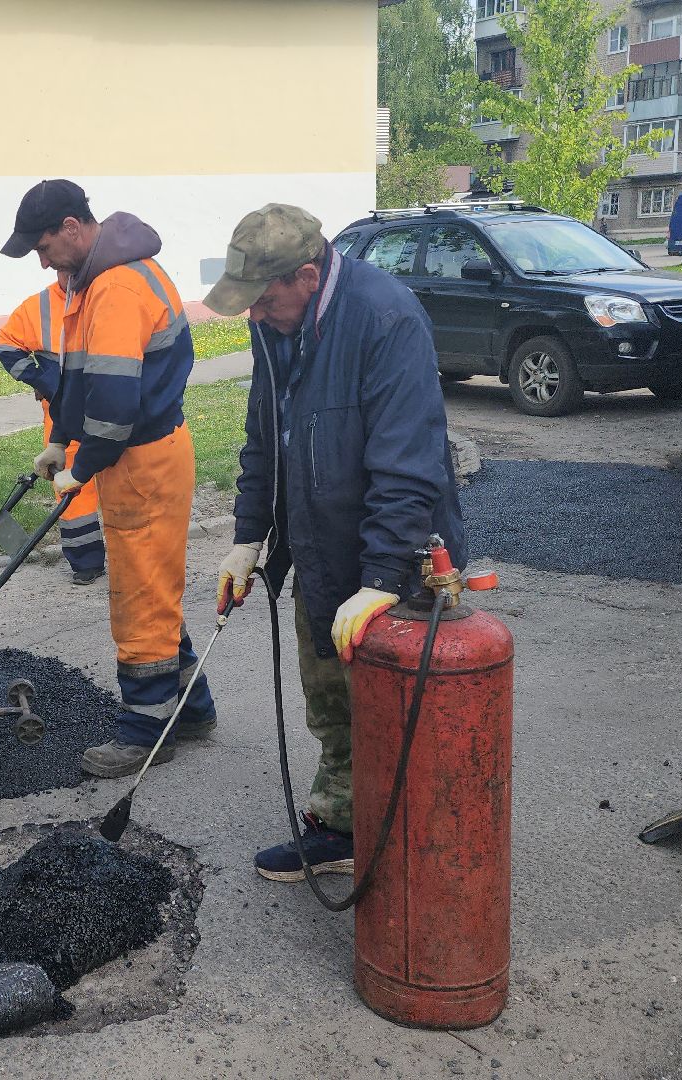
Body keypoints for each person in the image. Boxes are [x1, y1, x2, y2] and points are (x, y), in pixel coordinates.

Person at [204, 203, 465, 883]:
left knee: (392, 712)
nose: (256, 314)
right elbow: (265, 435)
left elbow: (408, 464)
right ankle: (343, 826)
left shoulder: (386, 319)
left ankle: (417, 847)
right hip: (318, 547)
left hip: (393, 559)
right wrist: (248, 537)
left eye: (264, 300)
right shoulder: (275, 326)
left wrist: (381, 579)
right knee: (330, 696)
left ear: (309, 275)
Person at [0, 179, 216, 778]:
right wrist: (61, 438)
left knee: (140, 599)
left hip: (143, 461)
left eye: (43, 247)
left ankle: (146, 732)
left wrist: (82, 467)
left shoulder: (117, 288)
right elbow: (81, 375)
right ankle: (191, 708)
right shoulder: (95, 280)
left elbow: (115, 405)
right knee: (151, 587)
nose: (41, 262)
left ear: (71, 227)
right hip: (142, 454)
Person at [0, 269, 107, 584]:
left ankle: (131, 556)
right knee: (71, 489)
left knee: (122, 484)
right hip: (64, 418)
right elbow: (6, 346)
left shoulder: (107, 294)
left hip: (112, 409)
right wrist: (46, 382)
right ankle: (86, 561)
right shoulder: (39, 306)